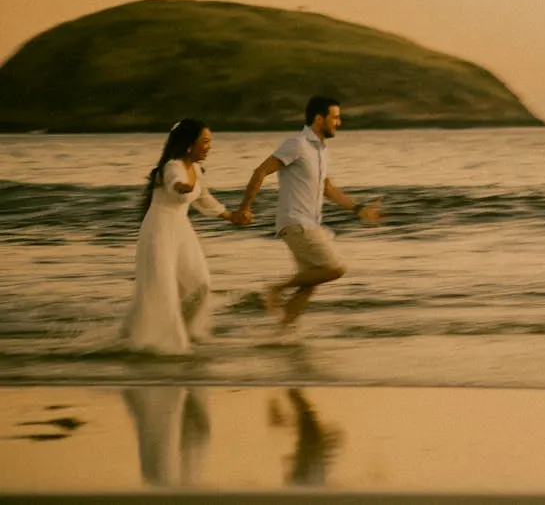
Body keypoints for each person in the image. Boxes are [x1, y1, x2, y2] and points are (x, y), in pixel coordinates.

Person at [231, 96, 380, 328]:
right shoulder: (297, 144)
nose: (339, 122)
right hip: (296, 223)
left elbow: (328, 189)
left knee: (310, 284)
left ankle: (281, 336)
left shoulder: (321, 150)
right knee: (334, 268)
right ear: (319, 119)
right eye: (335, 118)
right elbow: (260, 171)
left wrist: (358, 209)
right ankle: (275, 288)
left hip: (311, 224)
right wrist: (244, 208)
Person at [122, 119, 244, 355]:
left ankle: (187, 332)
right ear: (189, 144)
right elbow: (175, 183)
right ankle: (164, 343)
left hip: (181, 230)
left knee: (200, 284)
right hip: (159, 230)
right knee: (162, 287)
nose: (209, 147)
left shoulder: (195, 169)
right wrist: (182, 188)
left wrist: (230, 216)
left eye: (209, 142)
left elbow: (204, 198)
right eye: (205, 142)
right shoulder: (173, 166)